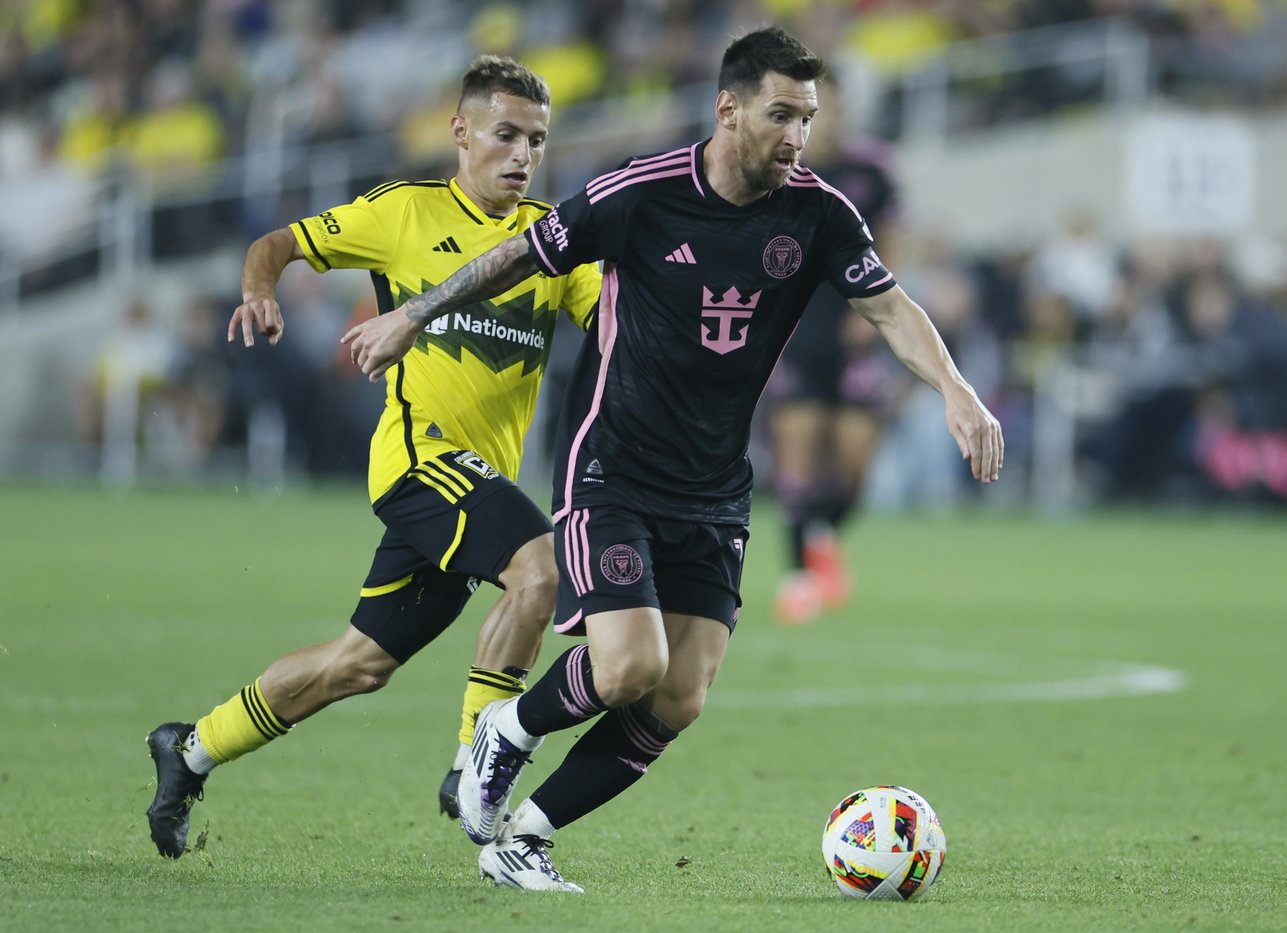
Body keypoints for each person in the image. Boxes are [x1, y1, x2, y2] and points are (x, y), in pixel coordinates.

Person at [342, 27, 1002, 893]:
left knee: (680, 694)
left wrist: (957, 389)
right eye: (780, 114)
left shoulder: (820, 212)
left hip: (716, 488)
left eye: (806, 116)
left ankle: (526, 840)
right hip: (612, 470)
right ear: (727, 109)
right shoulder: (640, 193)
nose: (797, 135)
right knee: (627, 667)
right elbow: (516, 257)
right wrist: (414, 314)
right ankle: (508, 728)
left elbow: (890, 309)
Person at [143, 56, 601, 859]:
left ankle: (190, 749)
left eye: (536, 139)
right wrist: (259, 287)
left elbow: (620, 328)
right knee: (540, 569)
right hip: (420, 460)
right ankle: (474, 764)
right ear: (460, 133)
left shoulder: (553, 241)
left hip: (476, 485)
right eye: (505, 135)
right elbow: (277, 242)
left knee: (355, 665)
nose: (523, 155)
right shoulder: (405, 213)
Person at [765, 77, 906, 624]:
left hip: (856, 330)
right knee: (797, 454)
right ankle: (798, 577)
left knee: (854, 468)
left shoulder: (873, 169)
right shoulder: (777, 169)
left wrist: (876, 306)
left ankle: (822, 533)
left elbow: (893, 238)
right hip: (796, 330)